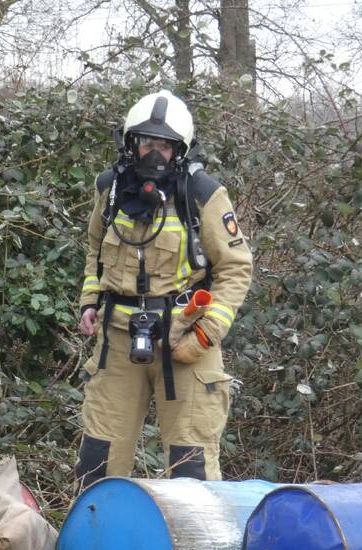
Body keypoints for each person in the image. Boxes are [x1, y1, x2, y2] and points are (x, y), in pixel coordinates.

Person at [75, 90, 252, 489]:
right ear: (130, 143)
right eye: (147, 143)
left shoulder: (202, 194)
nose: (155, 154)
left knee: (192, 467)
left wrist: (207, 334)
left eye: (166, 146)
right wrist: (90, 300)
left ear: (181, 150)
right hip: (116, 340)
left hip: (185, 341)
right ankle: (96, 545)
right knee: (98, 464)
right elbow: (94, 251)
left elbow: (236, 267)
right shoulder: (111, 190)